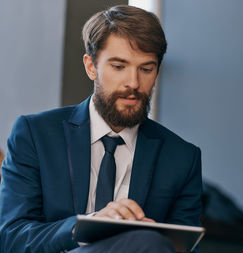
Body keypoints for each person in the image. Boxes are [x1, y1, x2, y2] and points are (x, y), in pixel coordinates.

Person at [0, 5, 202, 253]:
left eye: (146, 69)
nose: (133, 83)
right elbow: (11, 238)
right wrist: (87, 226)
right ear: (91, 66)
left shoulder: (182, 158)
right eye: (119, 66)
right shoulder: (35, 134)